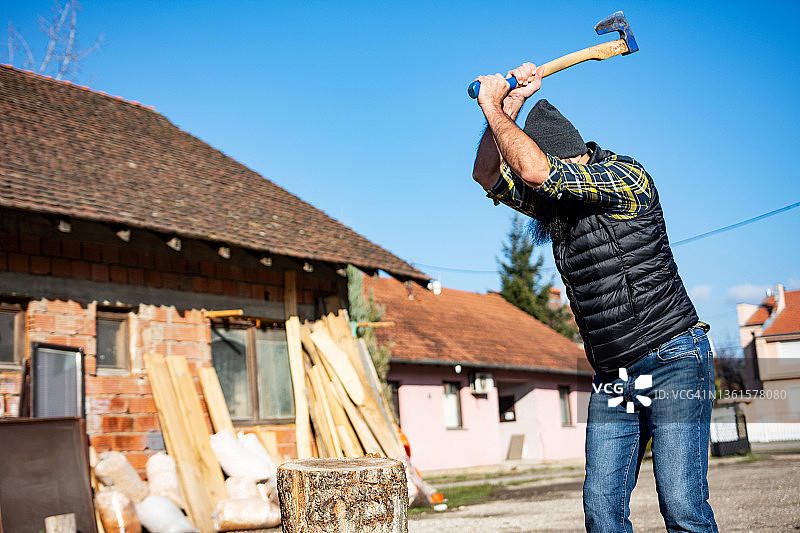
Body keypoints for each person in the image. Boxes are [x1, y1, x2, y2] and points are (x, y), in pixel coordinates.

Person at [472, 63, 718, 533]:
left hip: (673, 358)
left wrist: (490, 103)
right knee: (602, 513)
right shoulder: (555, 202)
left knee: (683, 507)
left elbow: (533, 169)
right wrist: (507, 107)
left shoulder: (626, 180)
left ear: (571, 160)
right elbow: (486, 173)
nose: (531, 192)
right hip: (614, 375)